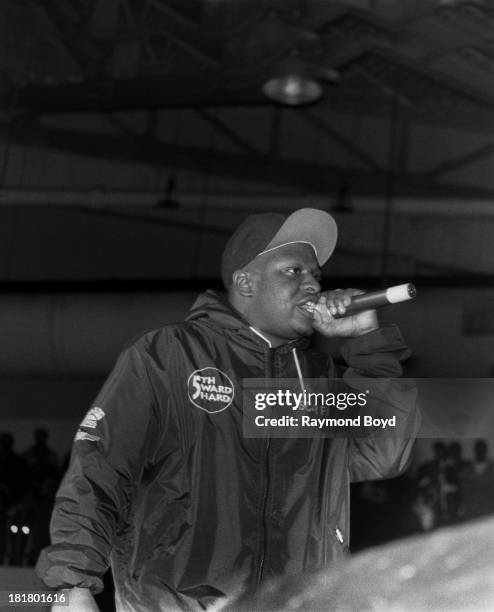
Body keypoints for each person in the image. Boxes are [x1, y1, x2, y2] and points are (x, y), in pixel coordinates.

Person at [36, 208, 419, 611]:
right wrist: (73, 584)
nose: (312, 285)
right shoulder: (168, 356)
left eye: (316, 276)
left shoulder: (319, 379)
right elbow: (100, 470)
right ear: (245, 282)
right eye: (293, 271)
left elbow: (385, 453)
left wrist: (370, 345)